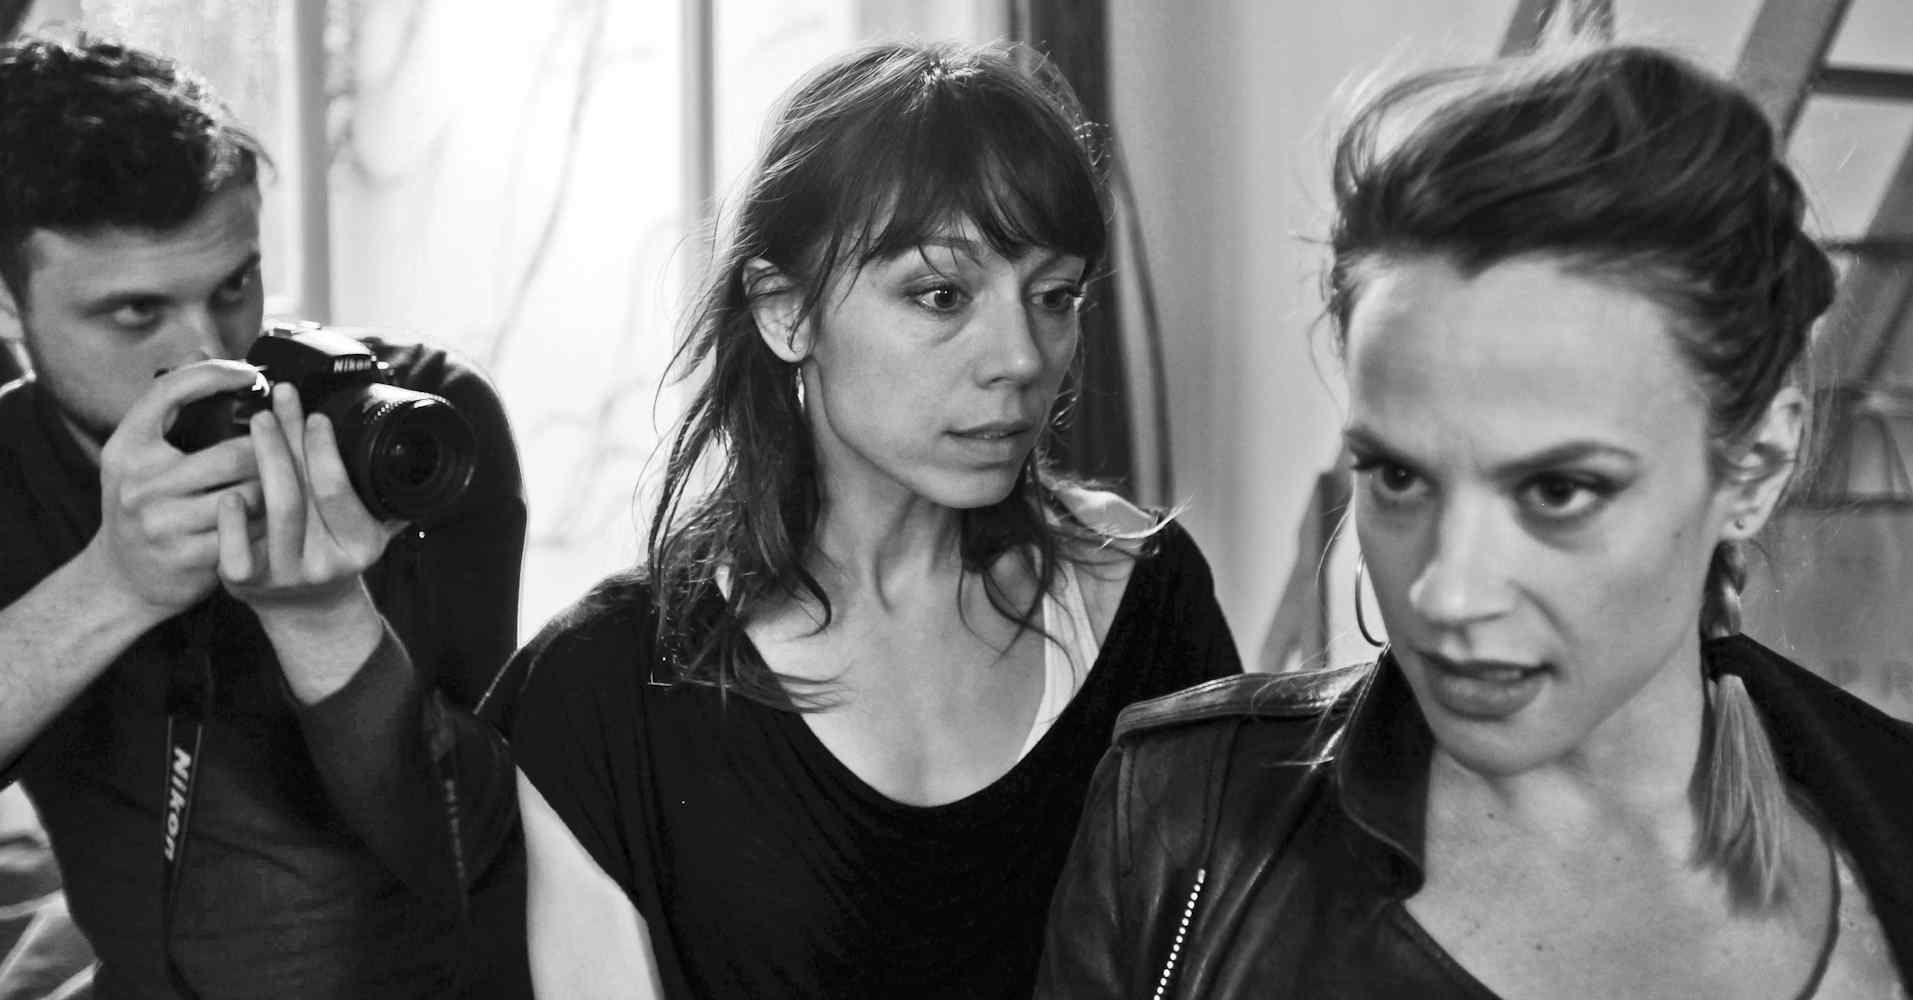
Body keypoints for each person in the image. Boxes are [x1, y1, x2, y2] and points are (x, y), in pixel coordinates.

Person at [1037, 42, 1913, 998]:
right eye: (1398, 477)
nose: (1446, 593)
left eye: (1556, 491)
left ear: (1755, 465)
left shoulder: (1886, 831)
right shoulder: (1180, 823)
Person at [481, 39, 1242, 999]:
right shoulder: (600, 694)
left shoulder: (1143, 595)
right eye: (940, 294)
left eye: (1053, 297)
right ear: (784, 312)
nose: (1020, 357)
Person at [0, 37, 531, 997]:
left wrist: (325, 624)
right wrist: (115, 586)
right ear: (9, 306)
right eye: (134, 312)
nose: (209, 350)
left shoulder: (413, 425)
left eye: (233, 286)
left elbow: (478, 856)